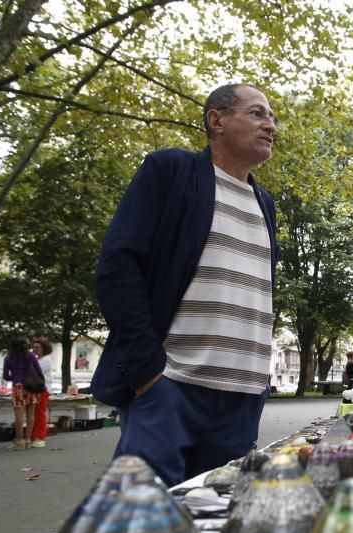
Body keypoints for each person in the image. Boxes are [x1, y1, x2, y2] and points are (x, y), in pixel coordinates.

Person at [92, 82, 279, 487]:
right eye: (257, 113)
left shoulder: (265, 204)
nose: (271, 125)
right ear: (217, 120)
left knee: (213, 529)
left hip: (242, 396)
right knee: (141, 525)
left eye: (272, 117)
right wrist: (148, 372)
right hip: (172, 385)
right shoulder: (171, 171)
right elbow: (117, 267)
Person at [3, 337, 43, 451]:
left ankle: (19, 441)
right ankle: (28, 440)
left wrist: (15, 377)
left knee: (19, 415)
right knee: (31, 414)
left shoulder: (8, 358)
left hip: (18, 387)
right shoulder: (30, 356)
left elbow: (6, 376)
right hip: (31, 387)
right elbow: (38, 371)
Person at [30, 337, 54, 448]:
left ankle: (39, 437)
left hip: (42, 389)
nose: (35, 349)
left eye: (37, 347)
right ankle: (33, 436)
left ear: (44, 348)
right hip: (35, 389)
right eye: (34, 347)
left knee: (39, 414)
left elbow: (35, 372)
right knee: (33, 414)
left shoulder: (46, 360)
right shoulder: (36, 359)